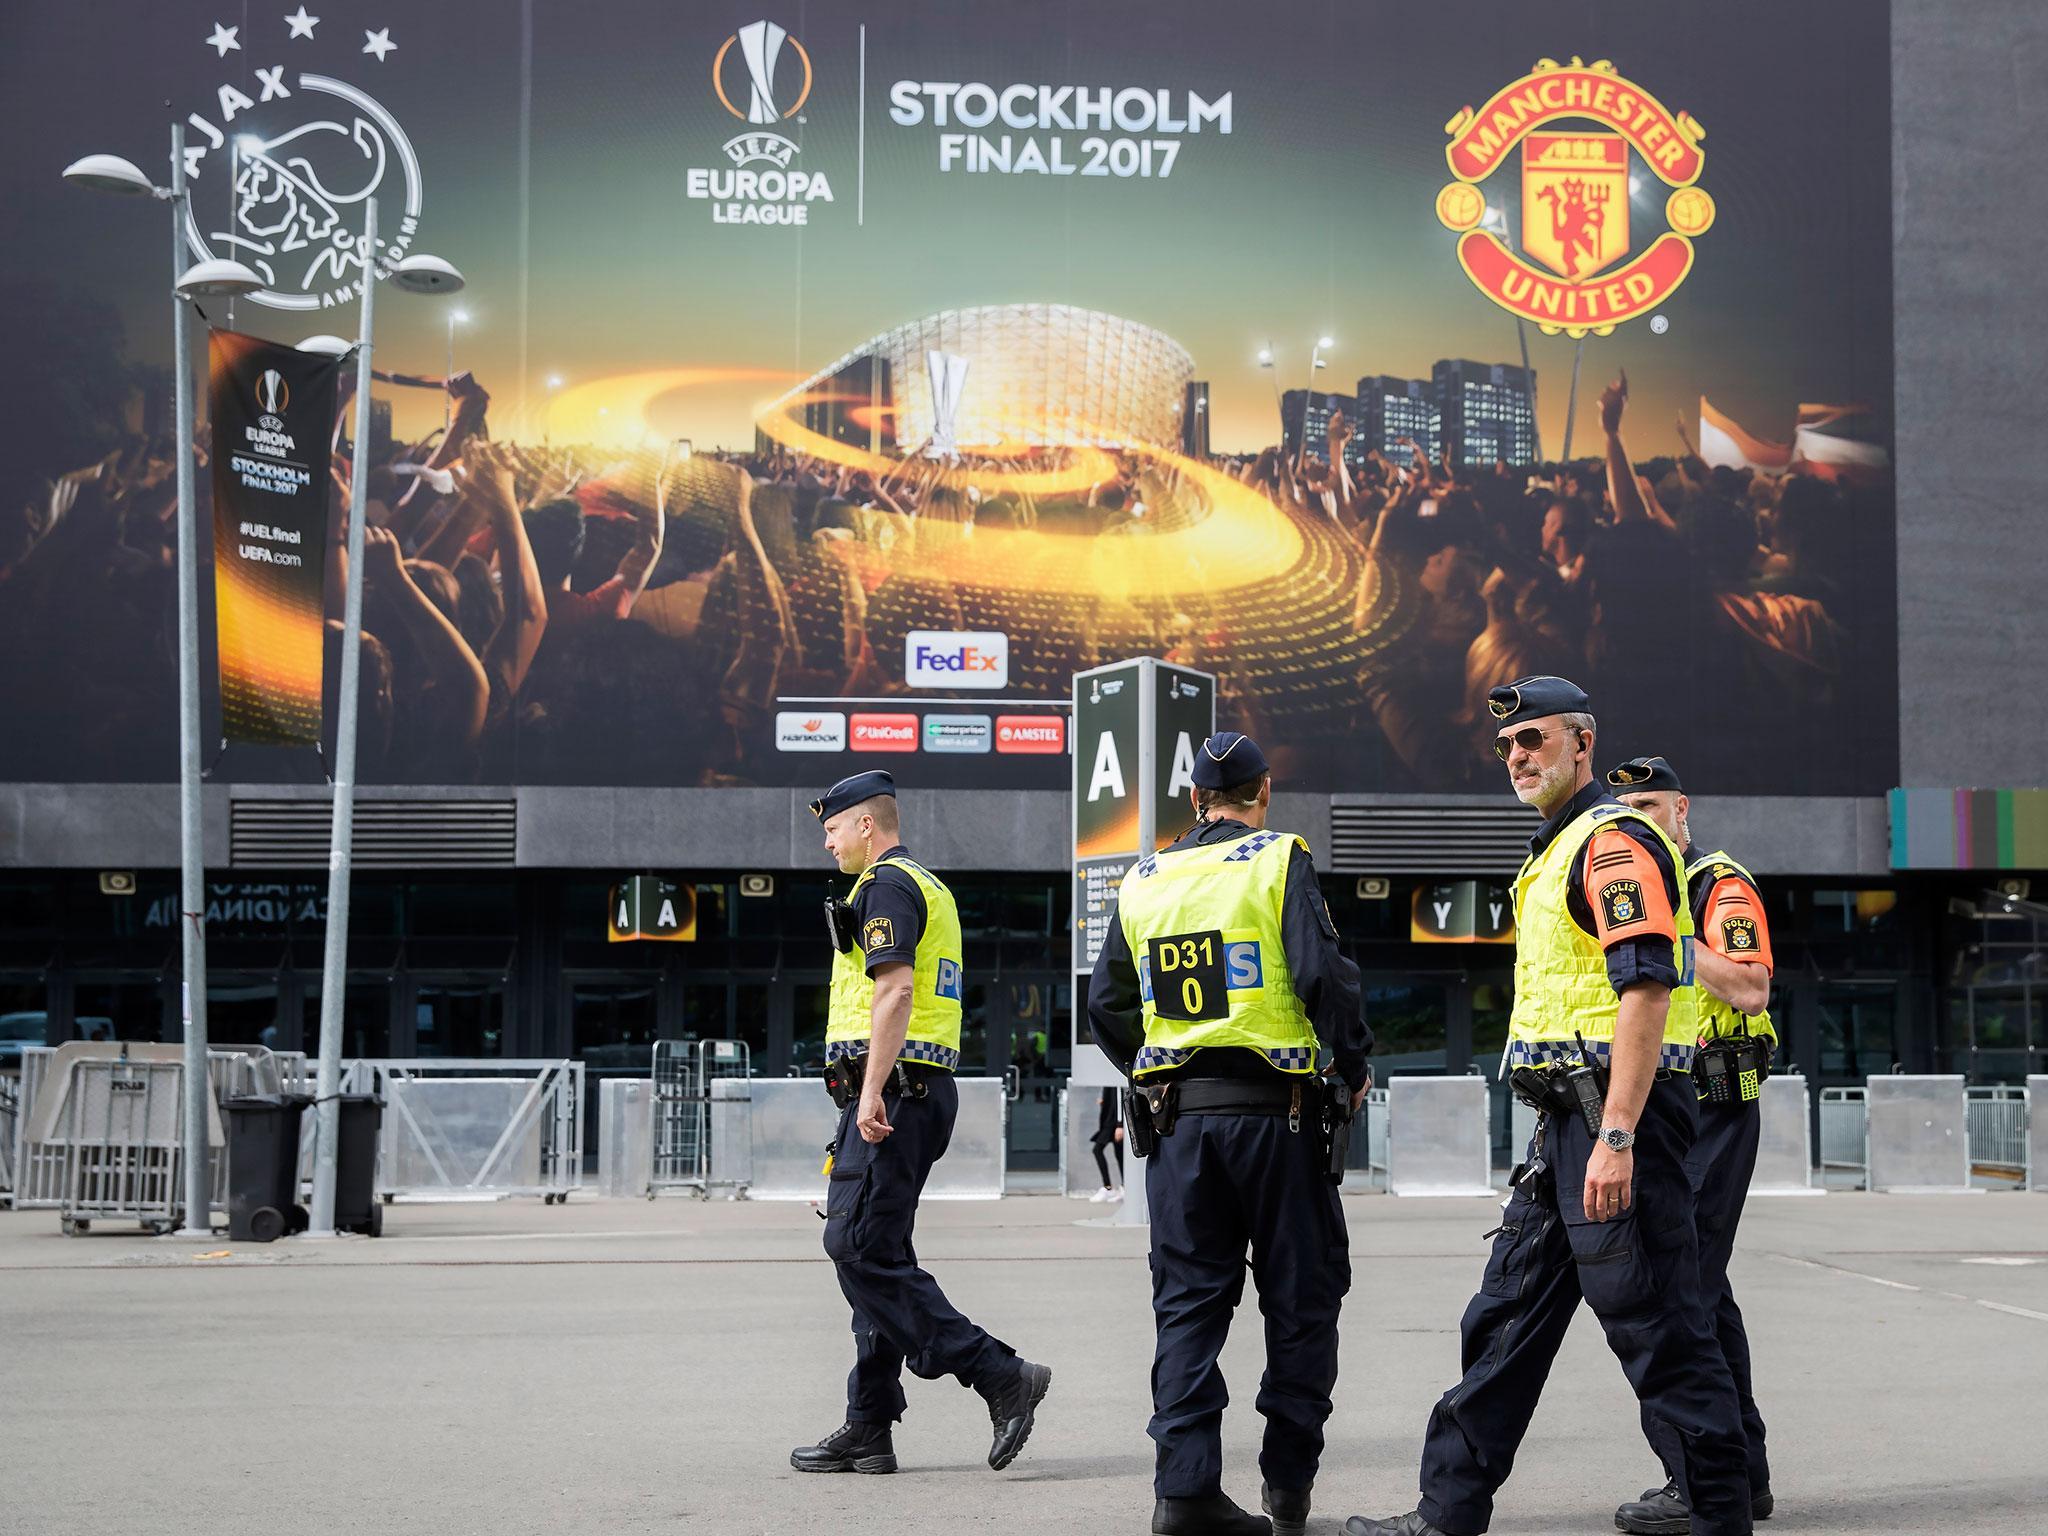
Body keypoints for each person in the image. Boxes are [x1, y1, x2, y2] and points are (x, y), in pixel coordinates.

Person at [1345, 677, 1754, 1536]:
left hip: (1616, 1117)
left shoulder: (1612, 842)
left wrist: (1617, 1135)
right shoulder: (1557, 847)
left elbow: (1644, 991)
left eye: (1535, 739)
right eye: (1507, 746)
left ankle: (1720, 1514)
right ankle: (1445, 1513)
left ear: (1582, 745)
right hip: (1565, 1120)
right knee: (1503, 1317)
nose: (1518, 756)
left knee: (1660, 1324)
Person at [1090, 731, 1373, 1536]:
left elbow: (1107, 1008)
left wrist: (1158, 1070)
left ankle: (1183, 1494)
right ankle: (1288, 1490)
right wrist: (1350, 1069)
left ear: (1193, 800)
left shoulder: (1143, 875)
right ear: (1264, 791)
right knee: (1300, 1300)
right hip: (1277, 1118)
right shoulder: (1278, 857)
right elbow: (1323, 976)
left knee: (1186, 1306)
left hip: (1181, 1127)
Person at [791, 770, 1051, 1477]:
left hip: (895, 1093)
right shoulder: (916, 885)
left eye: (834, 827)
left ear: (867, 826)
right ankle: (870, 1424)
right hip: (898, 1093)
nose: (827, 839)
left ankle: (999, 1374)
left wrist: (870, 1092)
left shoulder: (887, 886)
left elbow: (897, 987)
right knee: (877, 1252)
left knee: (855, 1246)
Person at [1605, 756, 1777, 1535]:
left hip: (1716, 1104)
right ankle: (1740, 1475)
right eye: (1627, 806)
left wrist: (1667, 936)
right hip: (1681, 1113)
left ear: (1683, 808)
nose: (1641, 816)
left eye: (1652, 802)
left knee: (1681, 1295)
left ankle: (1699, 1484)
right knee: (1703, 1290)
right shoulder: (1654, 887)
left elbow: (1748, 987)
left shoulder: (1714, 884)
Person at [1089, 1086, 1124, 1202]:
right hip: (1109, 1120)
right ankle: (1116, 1187)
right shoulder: (1107, 1077)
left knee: (1099, 1150)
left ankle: (1110, 1187)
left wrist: (1120, 1125)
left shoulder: (1115, 1076)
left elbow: (1120, 1099)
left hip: (1113, 1123)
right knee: (1118, 1154)